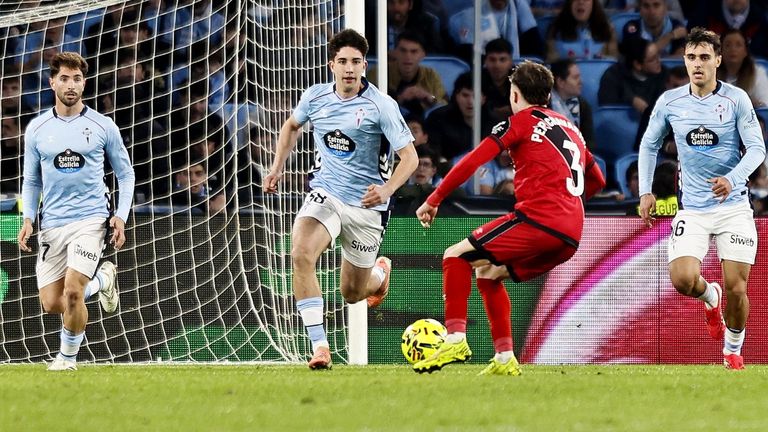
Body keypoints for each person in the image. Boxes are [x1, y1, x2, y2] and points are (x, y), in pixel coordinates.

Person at [413, 61, 605, 375]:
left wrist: (434, 198)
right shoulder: (572, 129)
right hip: (571, 235)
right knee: (489, 273)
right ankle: (505, 357)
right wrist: (568, 203)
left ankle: (456, 337)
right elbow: (597, 179)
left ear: (515, 95)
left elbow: (474, 160)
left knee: (455, 256)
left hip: (538, 220)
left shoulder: (520, 122)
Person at [263, 29, 418, 370]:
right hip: (326, 193)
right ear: (332, 64)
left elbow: (410, 158)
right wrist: (276, 168)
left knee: (352, 293)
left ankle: (379, 275)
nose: (350, 69)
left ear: (365, 66)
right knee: (301, 252)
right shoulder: (316, 98)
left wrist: (387, 189)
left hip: (367, 206)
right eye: (344, 62)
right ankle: (320, 347)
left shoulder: (382, 106)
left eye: (357, 62)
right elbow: (291, 126)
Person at [638, 28, 765, 370]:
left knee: (738, 288)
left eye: (705, 58)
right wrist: (645, 191)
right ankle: (710, 297)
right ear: (684, 60)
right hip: (692, 209)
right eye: (692, 57)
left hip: (734, 207)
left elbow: (757, 148)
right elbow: (649, 145)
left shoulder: (736, 99)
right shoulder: (670, 102)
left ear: (718, 61)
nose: (698, 64)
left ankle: (732, 350)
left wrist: (732, 178)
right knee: (682, 280)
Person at [17, 52, 135, 371]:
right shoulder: (38, 128)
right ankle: (103, 280)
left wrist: (120, 216)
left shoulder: (102, 125)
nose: (71, 85)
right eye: (65, 78)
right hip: (52, 224)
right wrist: (29, 217)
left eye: (77, 79)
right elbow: (31, 179)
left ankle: (67, 359)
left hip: (91, 220)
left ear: (84, 83)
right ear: (52, 81)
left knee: (72, 293)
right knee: (52, 303)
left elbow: (125, 174)